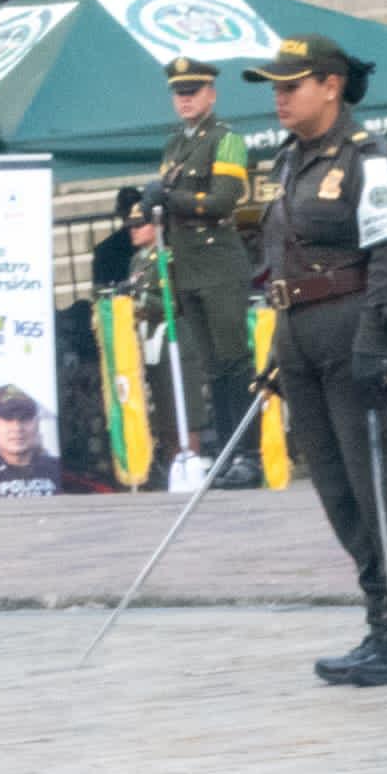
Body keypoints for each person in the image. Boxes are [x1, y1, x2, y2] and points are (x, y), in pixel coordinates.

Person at [249, 33, 387, 684]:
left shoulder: (368, 159)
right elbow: (283, 258)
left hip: (360, 337)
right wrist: (281, 346)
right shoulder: (287, 161)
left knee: (384, 492)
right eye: (274, 86)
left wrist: (376, 336)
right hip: (303, 341)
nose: (278, 96)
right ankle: (378, 623)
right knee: (338, 493)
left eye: (290, 84)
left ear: (330, 85)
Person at [148, 56, 259, 474]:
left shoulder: (225, 139)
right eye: (180, 93)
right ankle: (229, 454)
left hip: (218, 263)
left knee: (234, 362)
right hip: (189, 267)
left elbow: (222, 200)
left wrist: (169, 198)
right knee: (213, 368)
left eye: (193, 92)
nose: (186, 100)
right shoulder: (175, 143)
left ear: (211, 93)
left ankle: (247, 453)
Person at [0, 381, 61, 498]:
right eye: (7, 418)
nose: (17, 428)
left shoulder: (58, 469)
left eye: (25, 418)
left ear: (37, 424)